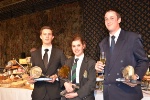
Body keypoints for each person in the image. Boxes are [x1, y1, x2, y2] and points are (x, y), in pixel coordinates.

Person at [95, 10, 149, 100]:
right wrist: (98, 68)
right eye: (106, 19)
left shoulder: (132, 38)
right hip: (109, 94)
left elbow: (144, 61)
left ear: (119, 20)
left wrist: (136, 76)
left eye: (112, 18)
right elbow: (108, 69)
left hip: (127, 92)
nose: (108, 21)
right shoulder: (102, 43)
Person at [28, 26, 66, 100]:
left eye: (49, 34)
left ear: (52, 37)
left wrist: (56, 76)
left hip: (54, 94)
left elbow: (66, 68)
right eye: (45, 34)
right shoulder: (34, 54)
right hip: (38, 94)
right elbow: (32, 71)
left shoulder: (59, 53)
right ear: (40, 36)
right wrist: (30, 79)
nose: (47, 36)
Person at [62, 34, 96, 100]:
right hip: (69, 97)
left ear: (83, 46)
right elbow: (62, 77)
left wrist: (76, 94)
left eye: (78, 45)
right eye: (74, 46)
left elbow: (91, 83)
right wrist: (65, 83)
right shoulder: (67, 62)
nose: (76, 48)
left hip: (85, 97)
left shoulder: (91, 63)